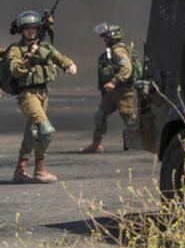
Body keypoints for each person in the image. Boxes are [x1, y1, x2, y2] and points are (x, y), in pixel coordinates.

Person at [6, 10, 77, 183]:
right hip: (27, 94)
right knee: (46, 131)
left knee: (33, 132)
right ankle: (41, 168)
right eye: (27, 28)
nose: (31, 31)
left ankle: (22, 170)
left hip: (43, 92)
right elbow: (15, 70)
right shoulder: (16, 50)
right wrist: (30, 54)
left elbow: (60, 58)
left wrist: (70, 65)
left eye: (34, 28)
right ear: (22, 30)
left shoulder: (44, 47)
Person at [81, 23, 138, 153]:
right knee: (99, 115)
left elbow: (127, 68)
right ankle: (97, 143)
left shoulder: (118, 51)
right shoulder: (111, 50)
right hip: (112, 93)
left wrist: (114, 81)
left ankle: (140, 143)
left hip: (123, 91)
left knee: (129, 118)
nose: (103, 39)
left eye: (105, 37)